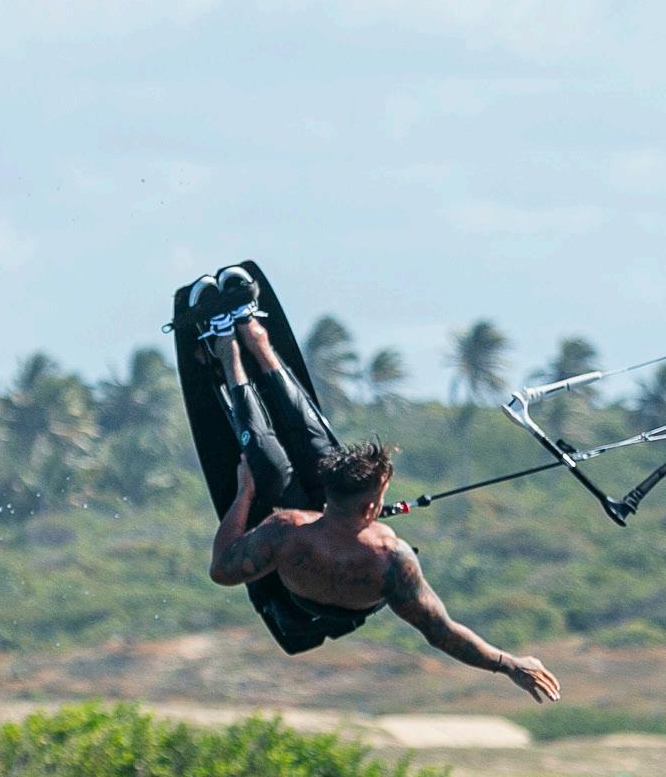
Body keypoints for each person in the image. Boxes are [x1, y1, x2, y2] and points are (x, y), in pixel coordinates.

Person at [184, 267, 559, 703]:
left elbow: (222, 569)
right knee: (314, 440)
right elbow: (440, 631)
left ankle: (226, 343)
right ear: (369, 507)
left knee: (264, 461)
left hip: (300, 596)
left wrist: (244, 493)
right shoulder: (391, 559)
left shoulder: (287, 530)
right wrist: (509, 663)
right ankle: (253, 333)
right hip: (328, 551)